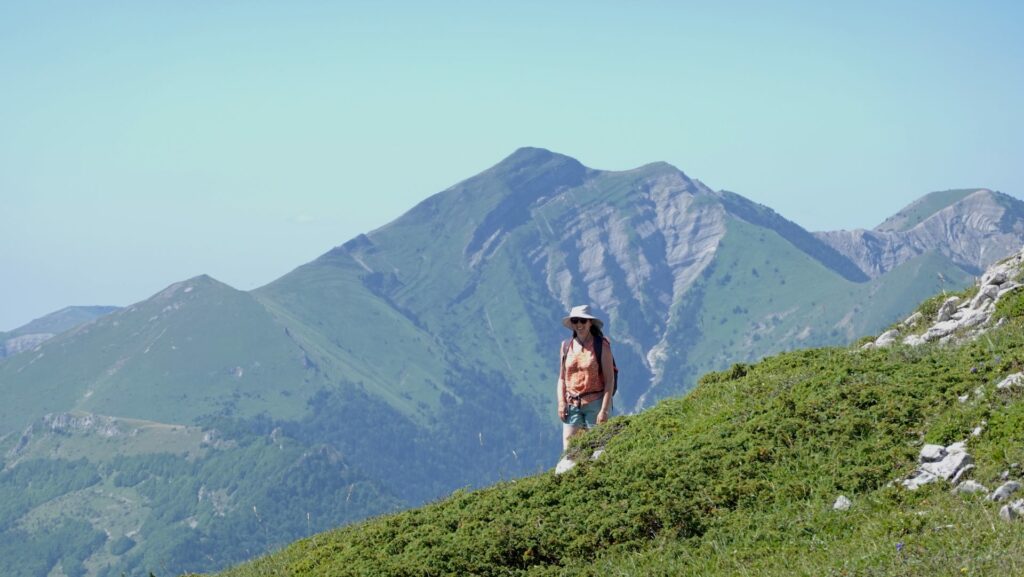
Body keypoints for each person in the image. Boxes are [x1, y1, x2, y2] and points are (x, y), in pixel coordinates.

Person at [557, 304, 615, 451]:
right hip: (572, 405)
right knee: (569, 451)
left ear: (590, 322)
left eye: (583, 321)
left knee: (598, 450)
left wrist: (604, 410)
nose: (579, 324)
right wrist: (561, 402)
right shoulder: (566, 346)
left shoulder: (601, 346)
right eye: (575, 320)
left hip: (595, 404)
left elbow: (609, 381)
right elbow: (562, 378)